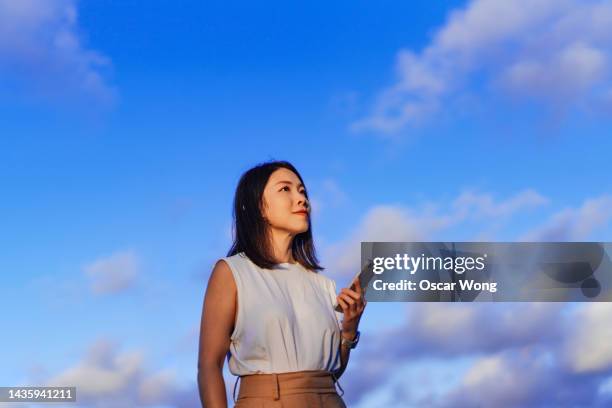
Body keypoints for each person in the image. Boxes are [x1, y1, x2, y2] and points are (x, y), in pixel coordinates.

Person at [197, 160, 367, 407]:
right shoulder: (232, 271)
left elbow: (330, 372)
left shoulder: (323, 285)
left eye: (302, 191)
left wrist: (349, 330)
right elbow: (209, 366)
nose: (302, 199)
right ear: (257, 207)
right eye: (285, 189)